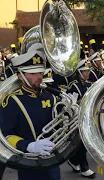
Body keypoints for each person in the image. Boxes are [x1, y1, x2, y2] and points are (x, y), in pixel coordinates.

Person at [0, 50, 60, 180]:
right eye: (32, 73)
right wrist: (28, 145)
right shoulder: (12, 100)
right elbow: (6, 135)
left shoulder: (51, 97)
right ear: (20, 76)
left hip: (53, 159)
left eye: (40, 72)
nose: (39, 76)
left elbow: (61, 126)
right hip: (29, 160)